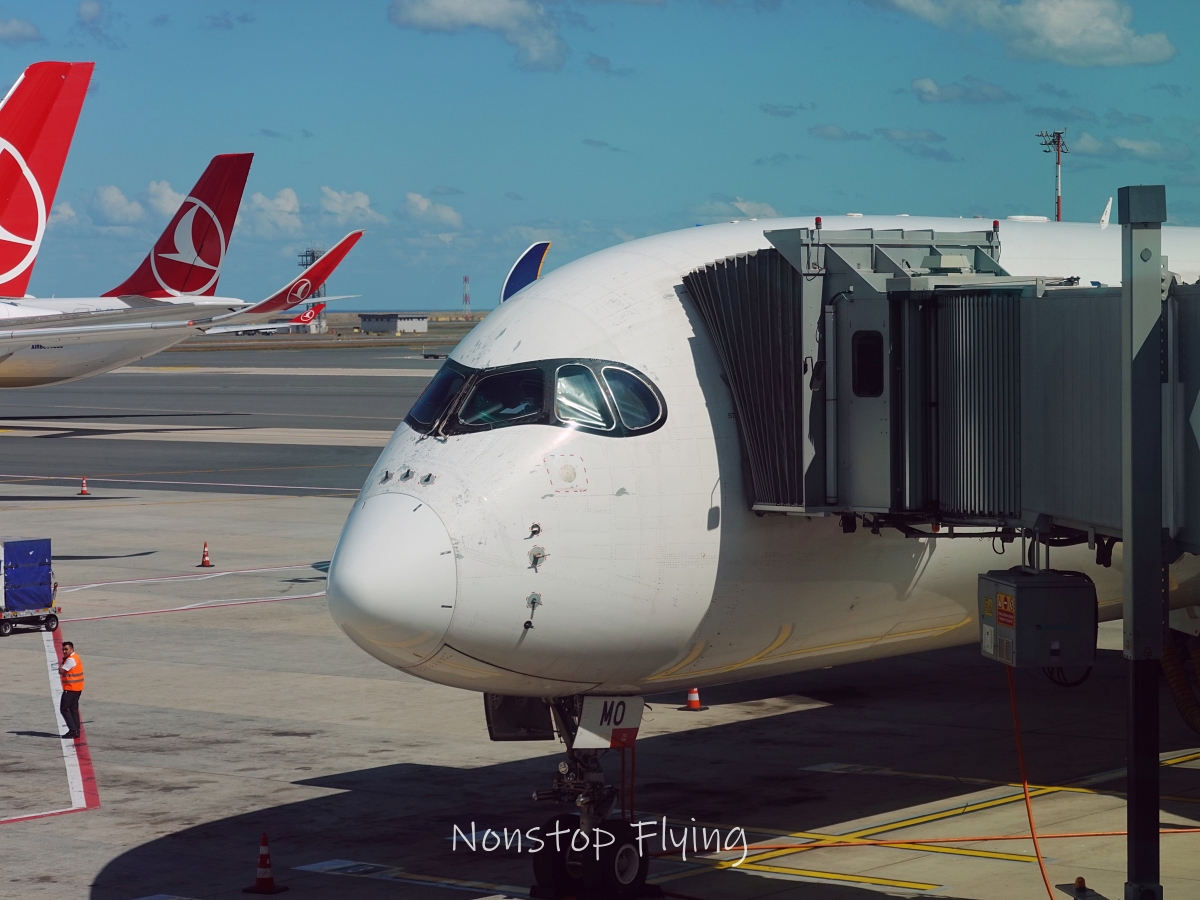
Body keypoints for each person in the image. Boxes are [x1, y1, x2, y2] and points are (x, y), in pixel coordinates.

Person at [57, 640, 84, 739]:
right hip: (77, 688)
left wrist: (62, 662)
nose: (64, 651)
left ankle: (73, 730)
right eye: (63, 649)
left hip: (70, 688)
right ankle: (76, 730)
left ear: (72, 649)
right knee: (73, 709)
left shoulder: (70, 660)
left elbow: (61, 671)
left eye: (66, 649)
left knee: (64, 709)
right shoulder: (75, 657)